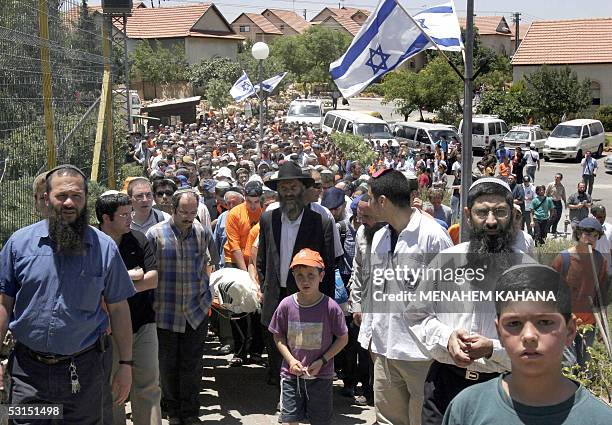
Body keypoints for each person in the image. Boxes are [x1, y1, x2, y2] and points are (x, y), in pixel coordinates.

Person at [0, 164, 135, 424]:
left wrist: (126, 365)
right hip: (29, 376)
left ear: (86, 200)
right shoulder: (19, 244)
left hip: (83, 375)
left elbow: (118, 309)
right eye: (61, 196)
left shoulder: (104, 248)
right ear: (47, 198)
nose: (69, 202)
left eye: (77, 196)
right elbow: (4, 303)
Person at [409, 178, 530, 425]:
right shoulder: (445, 261)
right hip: (444, 386)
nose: (491, 221)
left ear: (512, 215)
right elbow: (417, 315)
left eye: (500, 212)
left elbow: (538, 341)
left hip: (503, 389)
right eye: (482, 212)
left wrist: (493, 348)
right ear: (467, 215)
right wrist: (447, 337)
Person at [442, 264, 612, 425]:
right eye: (514, 323)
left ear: (569, 331)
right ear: (499, 332)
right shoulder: (467, 409)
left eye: (545, 322)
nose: (529, 336)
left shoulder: (599, 419)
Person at [363, 169, 453, 425]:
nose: (368, 205)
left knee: (420, 420)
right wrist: (370, 337)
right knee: (386, 420)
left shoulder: (432, 237)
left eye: (371, 198)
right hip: (385, 349)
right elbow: (375, 289)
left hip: (420, 354)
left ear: (383, 201)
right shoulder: (380, 236)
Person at [257, 161, 337, 386]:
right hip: (276, 294)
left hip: (307, 296)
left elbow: (328, 266)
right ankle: (284, 391)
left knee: (305, 346)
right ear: (278, 191)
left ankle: (304, 391)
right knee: (277, 343)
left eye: (293, 188)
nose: (289, 193)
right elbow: (262, 258)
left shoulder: (320, 221)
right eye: (284, 189)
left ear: (302, 190)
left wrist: (326, 301)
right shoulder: (268, 218)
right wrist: (263, 286)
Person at [146, 189, 218, 425]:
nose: (189, 217)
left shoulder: (202, 232)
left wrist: (207, 295)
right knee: (167, 364)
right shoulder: (155, 235)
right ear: (172, 210)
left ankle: (190, 411)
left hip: (195, 312)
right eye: (184, 212)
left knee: (193, 364)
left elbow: (213, 262)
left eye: (193, 212)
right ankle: (172, 410)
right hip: (165, 311)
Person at [96, 192, 163, 425]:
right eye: (124, 215)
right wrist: (132, 277)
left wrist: (114, 287)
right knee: (114, 388)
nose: (129, 219)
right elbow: (92, 287)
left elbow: (153, 279)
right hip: (108, 330)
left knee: (148, 385)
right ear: (106, 218)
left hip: (143, 323)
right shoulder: (92, 244)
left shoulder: (138, 239)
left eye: (130, 213)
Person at [268, 248, 349, 425]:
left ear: (321, 276)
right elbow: (278, 336)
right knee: (290, 420)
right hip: (291, 376)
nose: (305, 281)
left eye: (311, 275)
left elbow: (343, 338)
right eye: (300, 275)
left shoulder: (331, 307)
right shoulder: (286, 305)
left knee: (320, 420)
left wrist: (323, 360)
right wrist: (290, 360)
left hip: (321, 376)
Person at [551, 217, 608, 368]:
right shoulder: (563, 259)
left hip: (588, 323)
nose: (591, 239)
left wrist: (603, 325)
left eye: (595, 236)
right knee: (568, 364)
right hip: (566, 322)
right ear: (578, 234)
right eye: (587, 234)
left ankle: (582, 390)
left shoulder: (600, 260)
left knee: (584, 365)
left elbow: (601, 295)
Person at [223, 181, 264, 367]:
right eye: (249, 201)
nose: (253, 205)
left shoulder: (266, 213)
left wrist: (254, 271)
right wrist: (244, 274)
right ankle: (239, 350)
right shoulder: (234, 214)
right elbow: (235, 247)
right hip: (234, 261)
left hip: (257, 261)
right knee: (236, 307)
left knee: (257, 307)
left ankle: (256, 349)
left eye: (256, 201)